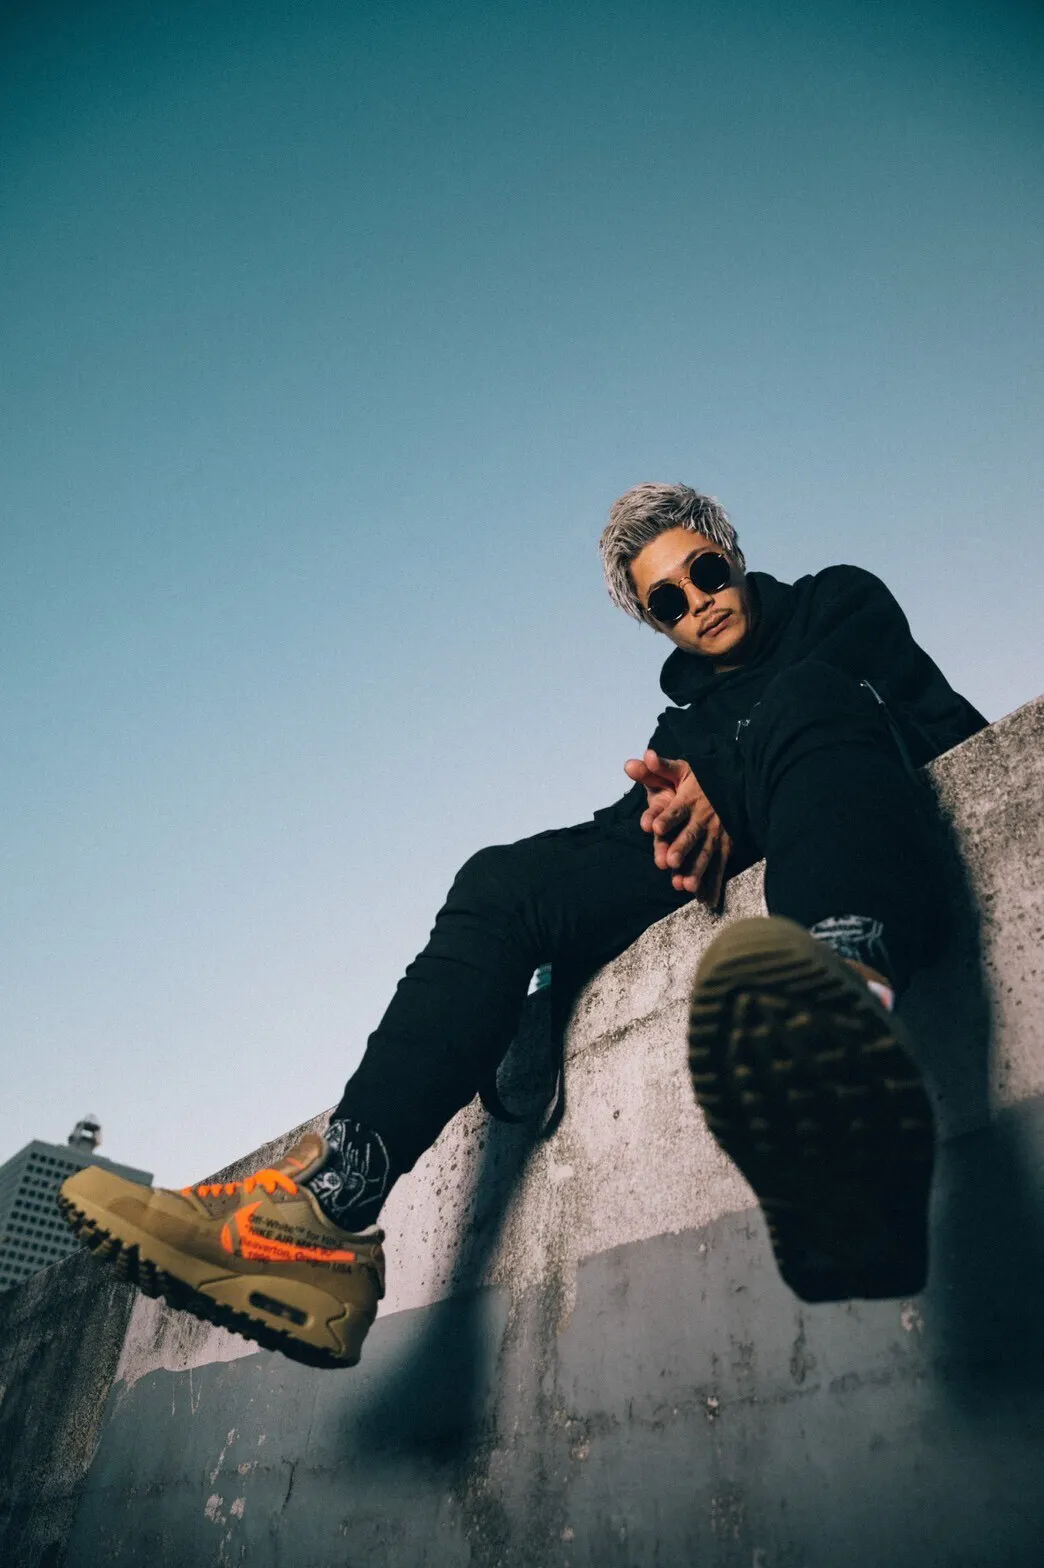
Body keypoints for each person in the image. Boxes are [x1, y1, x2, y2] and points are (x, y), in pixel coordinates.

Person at [60, 483, 987, 1367]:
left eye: (706, 572)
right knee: (502, 882)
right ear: (655, 622)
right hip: (735, 813)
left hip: (863, 807)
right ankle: (324, 1216)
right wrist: (652, 835)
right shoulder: (679, 736)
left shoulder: (837, 602)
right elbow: (632, 854)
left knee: (805, 698)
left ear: (734, 556)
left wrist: (729, 786)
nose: (699, 601)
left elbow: (884, 715)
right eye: (668, 601)